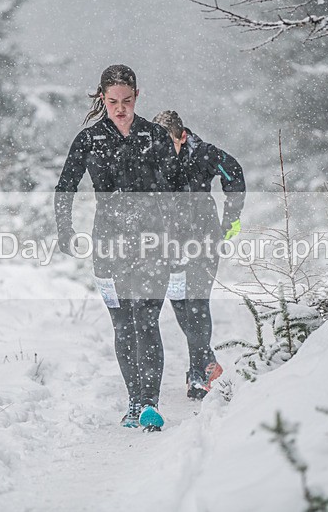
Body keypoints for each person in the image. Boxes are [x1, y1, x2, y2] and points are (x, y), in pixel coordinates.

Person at [55, 65, 183, 431]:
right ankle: (133, 401)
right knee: (124, 325)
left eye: (127, 100)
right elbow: (66, 186)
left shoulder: (156, 137)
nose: (120, 108)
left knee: (146, 320)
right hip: (108, 244)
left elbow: (177, 193)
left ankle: (149, 403)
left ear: (137, 96)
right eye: (113, 101)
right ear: (102, 98)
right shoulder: (90, 140)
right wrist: (65, 229)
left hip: (153, 241)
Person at [152, 110, 246, 399]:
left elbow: (235, 175)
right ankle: (207, 362)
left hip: (204, 236)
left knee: (196, 302)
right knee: (180, 304)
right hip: (169, 241)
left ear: (182, 136)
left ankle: (198, 373)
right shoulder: (153, 156)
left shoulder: (204, 153)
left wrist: (231, 220)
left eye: (168, 143)